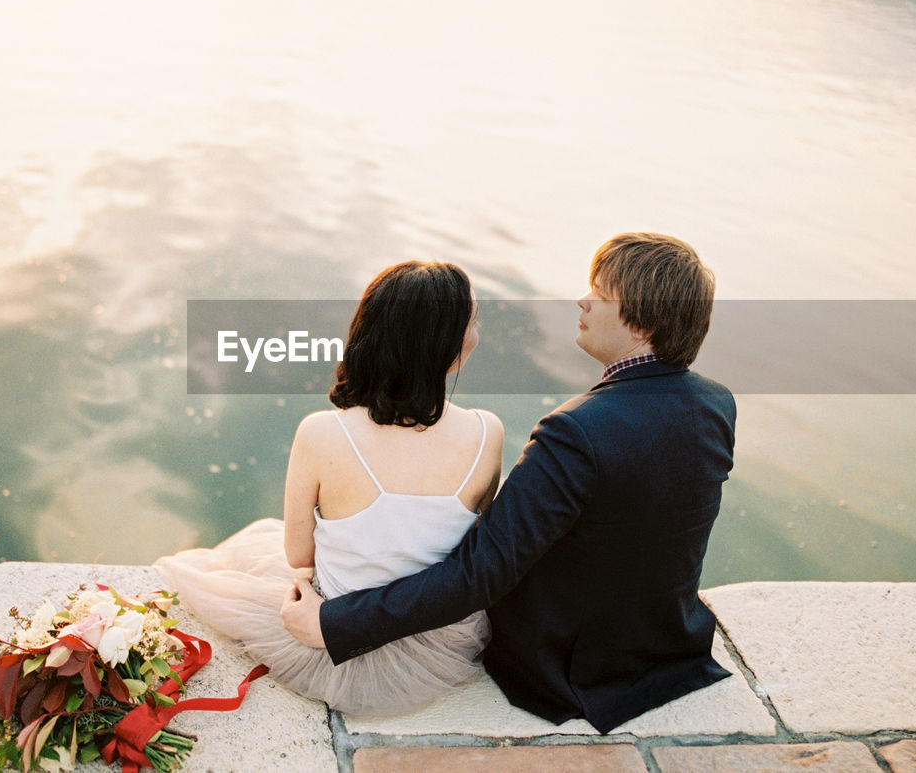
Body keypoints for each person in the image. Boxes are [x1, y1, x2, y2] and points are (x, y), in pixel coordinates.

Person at [281, 232, 737, 733]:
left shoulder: (577, 430)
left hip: (571, 671)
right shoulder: (715, 404)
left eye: (601, 294)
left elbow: (482, 572)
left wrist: (334, 624)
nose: (582, 300)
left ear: (642, 321)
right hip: (672, 647)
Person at [153, 260, 504, 716]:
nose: (477, 330)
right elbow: (467, 549)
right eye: (472, 321)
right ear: (451, 346)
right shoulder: (487, 433)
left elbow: (299, 556)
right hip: (435, 643)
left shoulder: (321, 433)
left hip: (327, 629)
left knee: (251, 547)